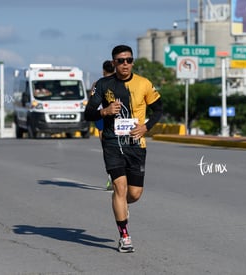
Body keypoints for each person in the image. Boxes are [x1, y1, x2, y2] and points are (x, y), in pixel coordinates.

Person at [85, 45, 163, 253]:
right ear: (114, 63)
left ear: (133, 61)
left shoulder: (143, 84)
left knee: (135, 193)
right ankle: (124, 236)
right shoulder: (103, 85)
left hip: (135, 144)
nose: (125, 64)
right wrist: (105, 111)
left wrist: (146, 127)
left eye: (128, 60)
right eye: (120, 61)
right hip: (112, 142)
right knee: (119, 188)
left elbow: (159, 109)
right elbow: (88, 113)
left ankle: (121, 205)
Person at [93, 60, 115, 190]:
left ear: (103, 71)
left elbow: (92, 103)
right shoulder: (121, 83)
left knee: (107, 147)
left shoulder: (97, 84)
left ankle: (111, 176)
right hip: (117, 117)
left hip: (101, 116)